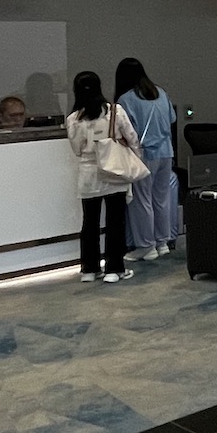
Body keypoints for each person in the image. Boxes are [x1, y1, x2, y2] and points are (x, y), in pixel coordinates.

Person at [67, 71, 138, 283]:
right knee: (115, 220)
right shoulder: (115, 112)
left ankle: (89, 269)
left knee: (89, 222)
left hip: (88, 174)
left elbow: (76, 149)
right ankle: (114, 269)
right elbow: (132, 138)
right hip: (113, 170)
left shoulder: (73, 119)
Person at [115, 57, 176, 262]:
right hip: (166, 152)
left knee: (141, 201)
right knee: (162, 198)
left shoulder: (126, 99)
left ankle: (146, 246)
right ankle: (162, 243)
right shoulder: (161, 93)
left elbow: (126, 131)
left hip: (143, 155)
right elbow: (172, 119)